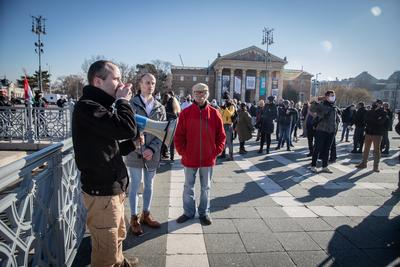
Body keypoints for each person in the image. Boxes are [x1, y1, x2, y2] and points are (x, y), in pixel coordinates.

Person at [72, 60, 140, 266]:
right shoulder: (87, 107)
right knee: (105, 251)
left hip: (113, 188)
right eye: (116, 78)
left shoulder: (98, 105)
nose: (121, 84)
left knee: (117, 235)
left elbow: (105, 147)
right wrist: (123, 102)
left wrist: (131, 145)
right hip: (102, 191)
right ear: (98, 81)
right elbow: (126, 128)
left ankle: (119, 263)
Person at [174, 83, 226, 225]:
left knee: (206, 187)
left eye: (203, 92)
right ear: (193, 94)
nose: (200, 95)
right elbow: (178, 136)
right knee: (188, 187)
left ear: (207, 94)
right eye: (197, 92)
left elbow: (221, 136)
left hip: (208, 158)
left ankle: (204, 212)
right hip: (190, 157)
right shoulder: (186, 113)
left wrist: (215, 152)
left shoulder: (215, 113)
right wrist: (183, 152)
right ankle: (189, 212)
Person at [124, 73, 166, 236]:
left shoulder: (159, 107)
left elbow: (162, 133)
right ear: (140, 84)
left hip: (152, 154)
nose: (150, 86)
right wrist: (139, 148)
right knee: (135, 184)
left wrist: (152, 149)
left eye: (153, 83)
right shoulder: (130, 104)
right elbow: (126, 130)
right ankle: (134, 218)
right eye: (147, 82)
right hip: (135, 152)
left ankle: (146, 214)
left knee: (149, 184)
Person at [309, 90, 340, 173]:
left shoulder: (334, 107)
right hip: (321, 130)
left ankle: (324, 166)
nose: (333, 97)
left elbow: (336, 119)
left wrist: (335, 129)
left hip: (331, 131)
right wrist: (316, 100)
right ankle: (313, 165)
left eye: (333, 95)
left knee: (327, 149)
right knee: (317, 148)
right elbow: (312, 109)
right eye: (331, 95)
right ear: (326, 96)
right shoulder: (321, 105)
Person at [355, 100, 388, 172]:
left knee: (376, 150)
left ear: (381, 105)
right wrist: (375, 119)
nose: (375, 105)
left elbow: (381, 122)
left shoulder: (383, 113)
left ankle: (375, 166)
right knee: (366, 149)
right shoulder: (370, 111)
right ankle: (364, 163)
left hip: (377, 134)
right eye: (375, 103)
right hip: (368, 132)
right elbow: (365, 120)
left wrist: (372, 120)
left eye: (378, 104)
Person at [165, 91, 181, 161]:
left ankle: (165, 154)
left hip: (169, 122)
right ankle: (172, 156)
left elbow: (166, 112)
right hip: (175, 123)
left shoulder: (169, 102)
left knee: (165, 138)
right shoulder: (176, 102)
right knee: (172, 142)